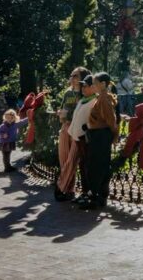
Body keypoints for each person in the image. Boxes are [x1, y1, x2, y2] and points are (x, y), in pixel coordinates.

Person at [77, 72, 118, 210]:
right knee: (96, 166)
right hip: (97, 136)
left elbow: (111, 121)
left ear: (103, 84)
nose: (93, 86)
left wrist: (114, 136)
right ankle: (98, 196)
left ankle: (96, 198)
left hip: (101, 136)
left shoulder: (104, 99)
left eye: (95, 83)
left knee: (97, 167)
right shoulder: (101, 98)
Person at [55, 66, 90, 200]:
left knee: (72, 159)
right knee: (64, 159)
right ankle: (69, 190)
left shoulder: (85, 92)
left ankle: (60, 187)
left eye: (76, 76)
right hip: (65, 127)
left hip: (77, 129)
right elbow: (63, 108)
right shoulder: (67, 93)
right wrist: (61, 114)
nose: (72, 78)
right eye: (71, 75)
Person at [60, 75, 97, 201]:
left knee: (88, 167)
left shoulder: (95, 101)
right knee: (82, 166)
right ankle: (84, 192)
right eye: (83, 86)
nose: (83, 88)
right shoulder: (83, 100)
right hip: (77, 138)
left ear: (93, 87)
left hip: (86, 140)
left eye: (85, 86)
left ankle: (90, 194)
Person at [0, 108, 27, 173]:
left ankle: (8, 166)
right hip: (4, 142)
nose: (9, 119)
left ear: (14, 118)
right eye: (8, 118)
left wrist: (29, 117)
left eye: (11, 118)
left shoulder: (15, 124)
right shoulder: (3, 126)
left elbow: (23, 122)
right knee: (5, 155)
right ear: (5, 118)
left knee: (8, 154)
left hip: (10, 142)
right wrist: (3, 135)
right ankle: (6, 168)